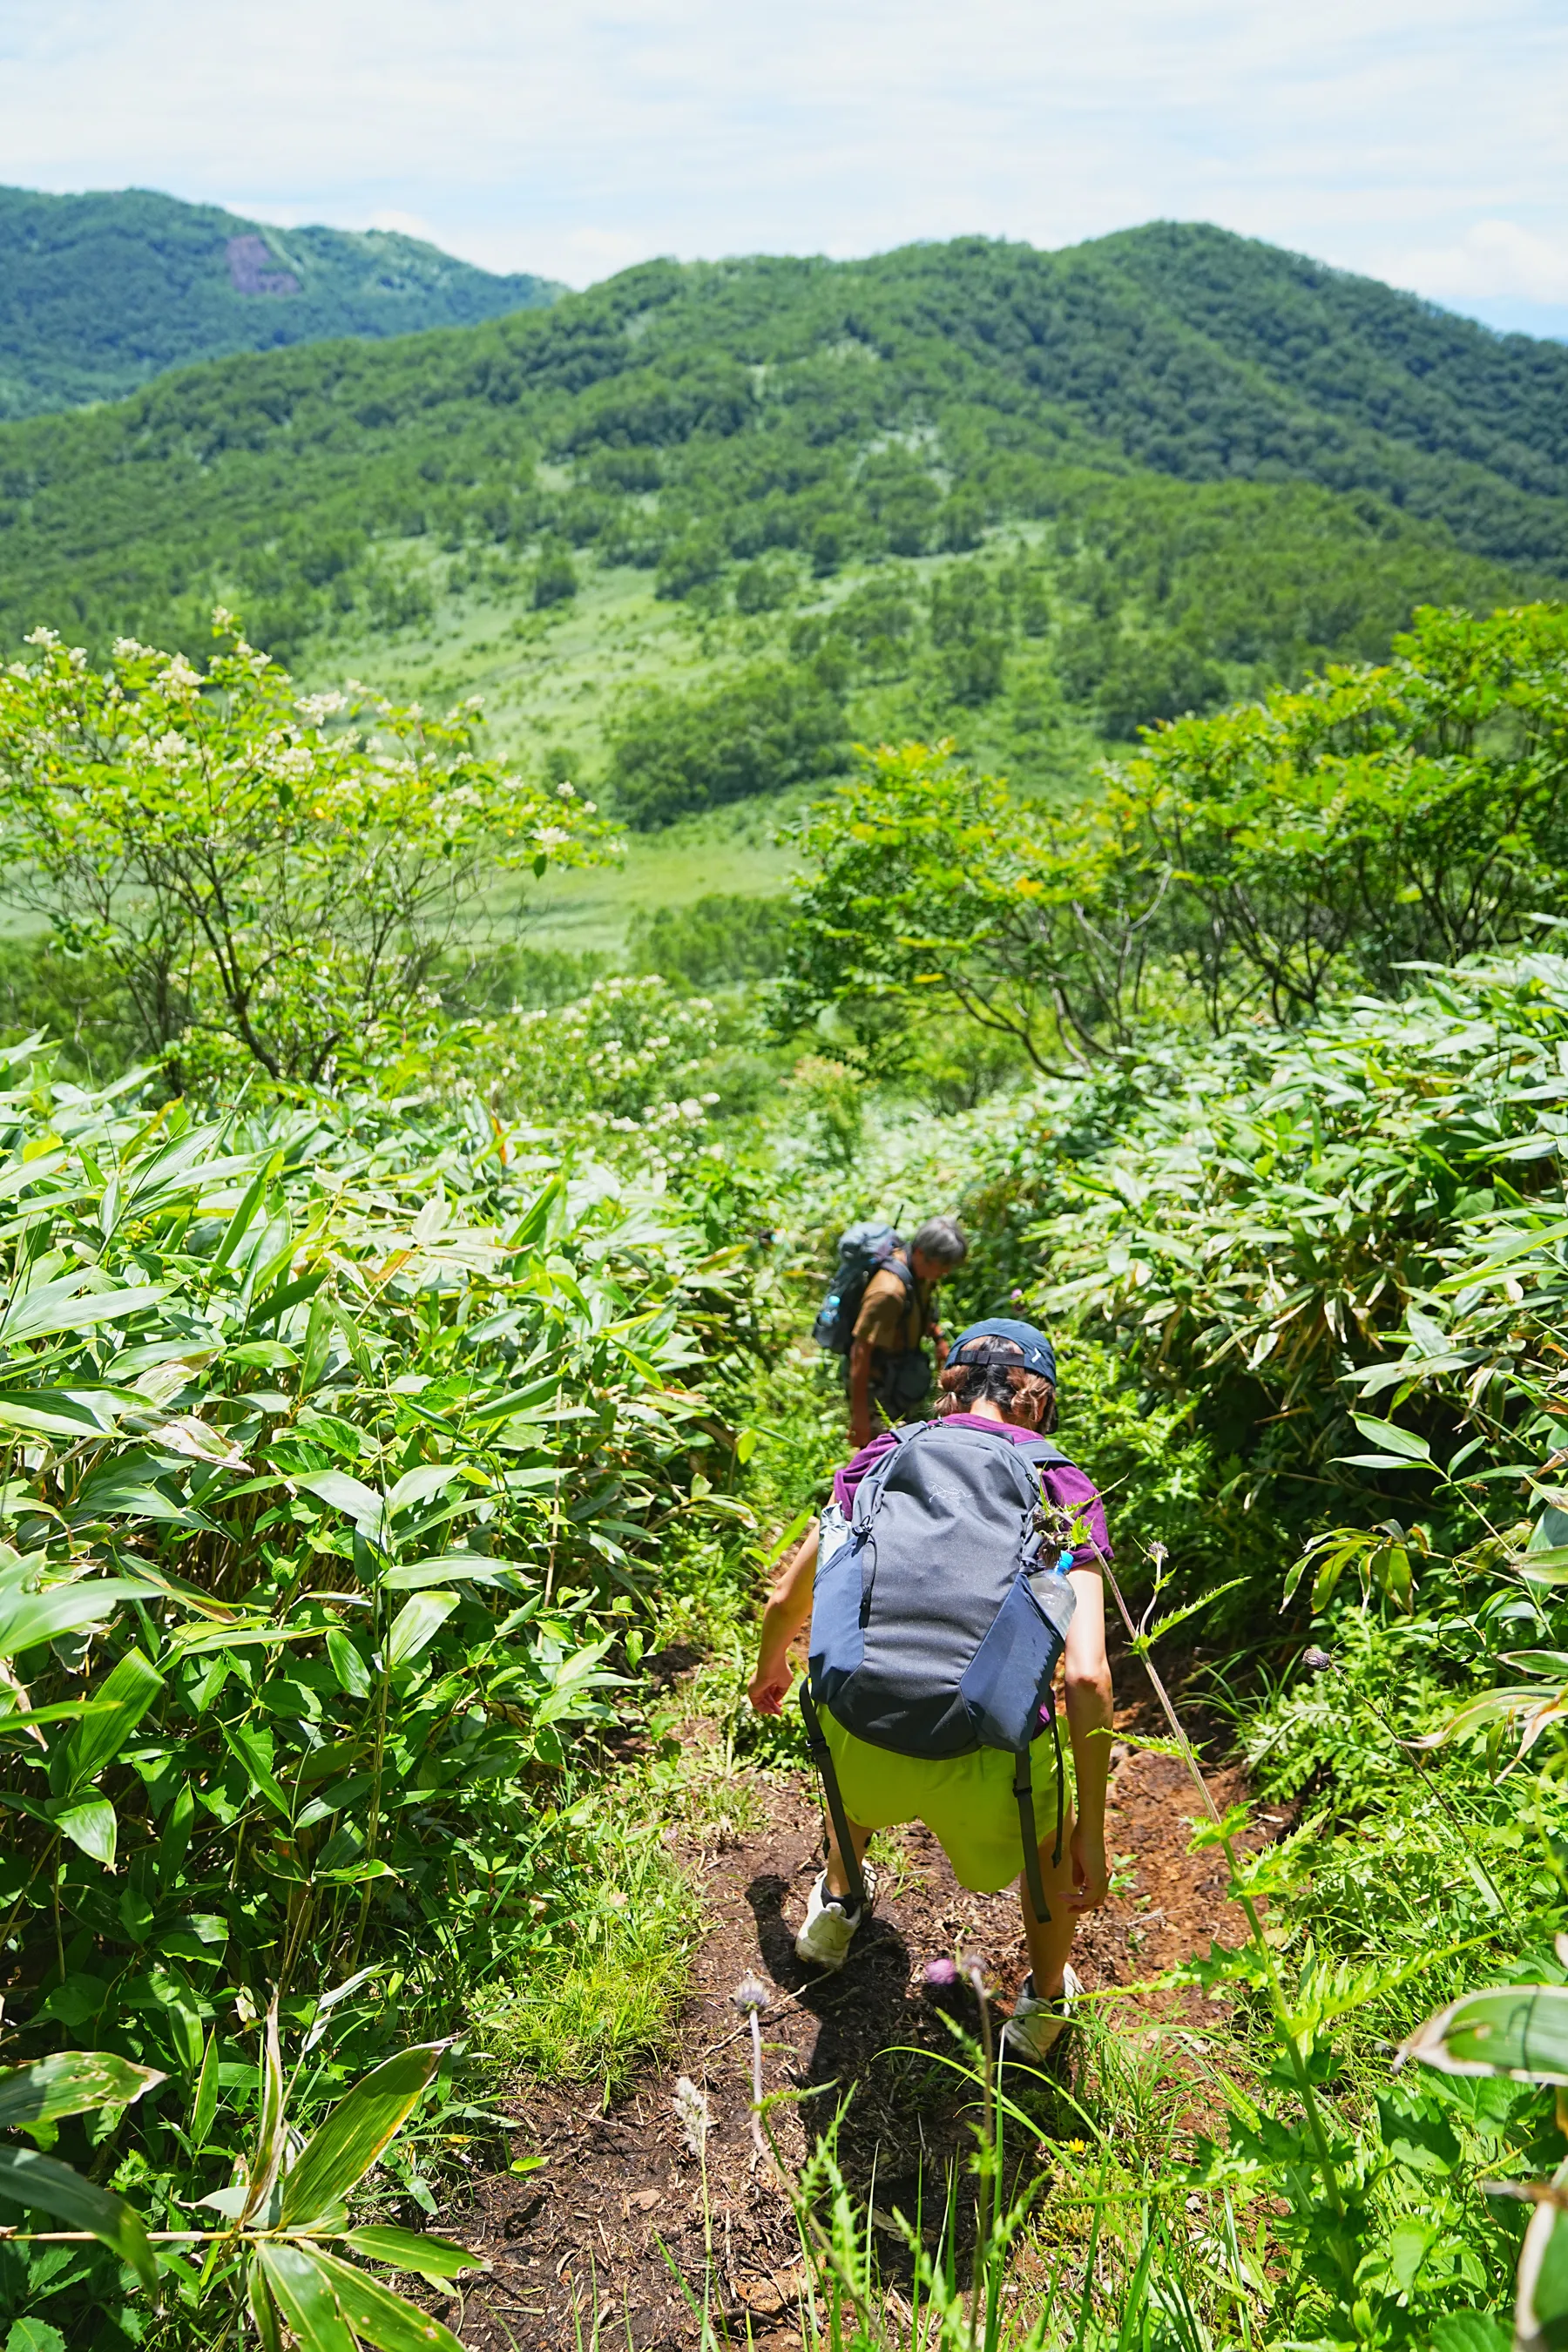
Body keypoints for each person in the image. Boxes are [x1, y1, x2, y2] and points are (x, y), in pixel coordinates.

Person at [749, 1321, 1113, 2062]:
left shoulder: (884, 1455)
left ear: (950, 1387)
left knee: (849, 1767)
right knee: (1045, 1853)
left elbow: (791, 1595)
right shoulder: (1060, 1483)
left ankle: (837, 1912)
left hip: (862, 1734)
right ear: (1038, 1404)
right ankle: (1041, 2010)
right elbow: (1085, 1676)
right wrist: (1091, 1838)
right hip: (993, 1756)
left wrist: (771, 1666)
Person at [847, 1214, 968, 1451]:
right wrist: (859, 1416)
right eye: (941, 1266)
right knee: (878, 1455)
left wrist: (938, 1337)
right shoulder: (889, 1292)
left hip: (900, 1375)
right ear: (921, 1253)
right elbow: (860, 1352)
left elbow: (918, 1311)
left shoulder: (920, 1273)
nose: (944, 1273)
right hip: (876, 1385)